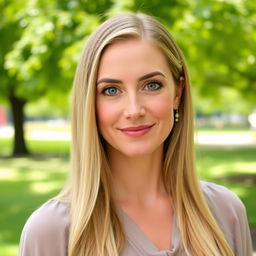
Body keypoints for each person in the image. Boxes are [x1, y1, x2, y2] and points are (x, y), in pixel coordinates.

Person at [19, 13, 253, 256]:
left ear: (178, 92)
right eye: (111, 90)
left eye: (151, 85)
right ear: (89, 102)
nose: (134, 110)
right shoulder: (53, 231)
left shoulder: (226, 212)